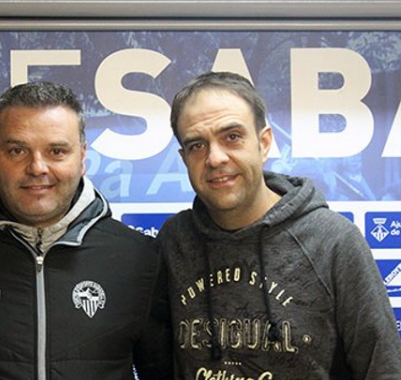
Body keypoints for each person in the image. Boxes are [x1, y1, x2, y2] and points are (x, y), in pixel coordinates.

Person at [0, 82, 172, 380]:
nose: (37, 167)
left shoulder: (138, 257)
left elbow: (165, 372)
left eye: (57, 151)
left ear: (82, 157)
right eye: (17, 150)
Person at [159, 71, 401, 379]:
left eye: (232, 136)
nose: (215, 157)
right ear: (184, 158)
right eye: (197, 145)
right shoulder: (174, 241)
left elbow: (383, 369)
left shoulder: (333, 241)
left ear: (264, 142)